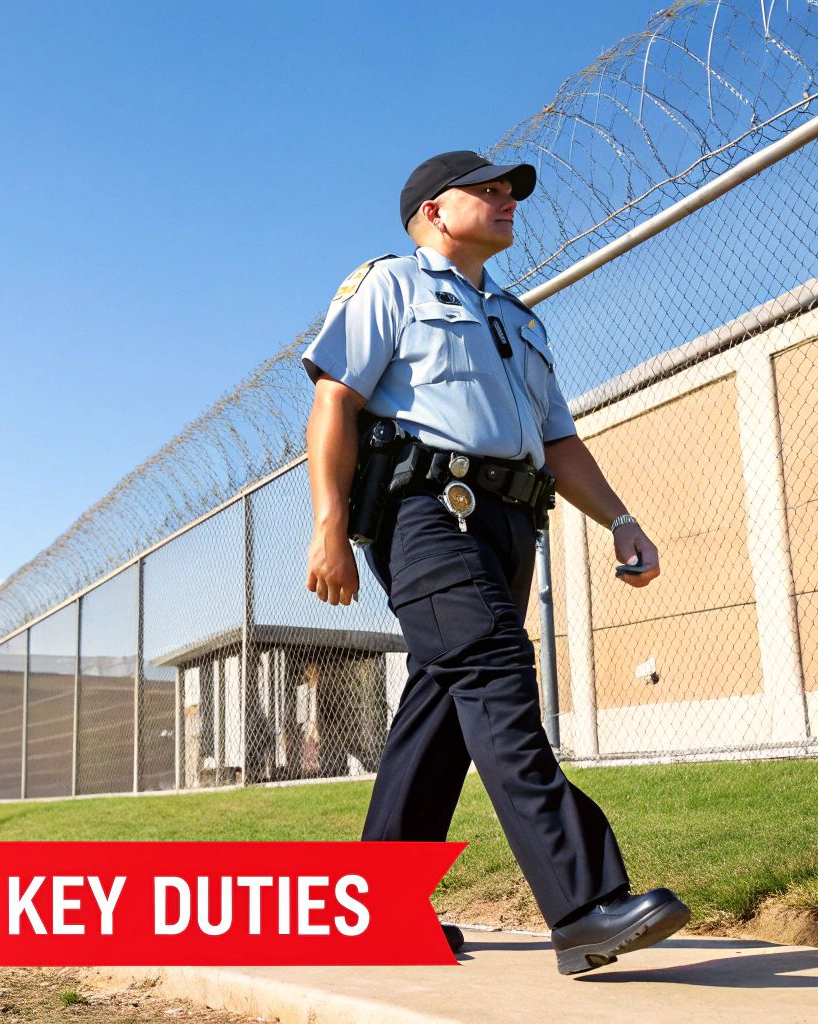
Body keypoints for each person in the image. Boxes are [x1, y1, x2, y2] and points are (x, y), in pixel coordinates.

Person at [301, 150, 690, 976]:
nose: (506, 197)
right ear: (433, 211)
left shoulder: (520, 319)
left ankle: (368, 912)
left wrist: (621, 519)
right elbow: (334, 396)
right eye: (487, 188)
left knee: (445, 703)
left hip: (512, 523)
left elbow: (558, 441)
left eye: (510, 189)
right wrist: (329, 525)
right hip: (424, 515)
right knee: (495, 671)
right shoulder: (390, 286)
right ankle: (584, 904)